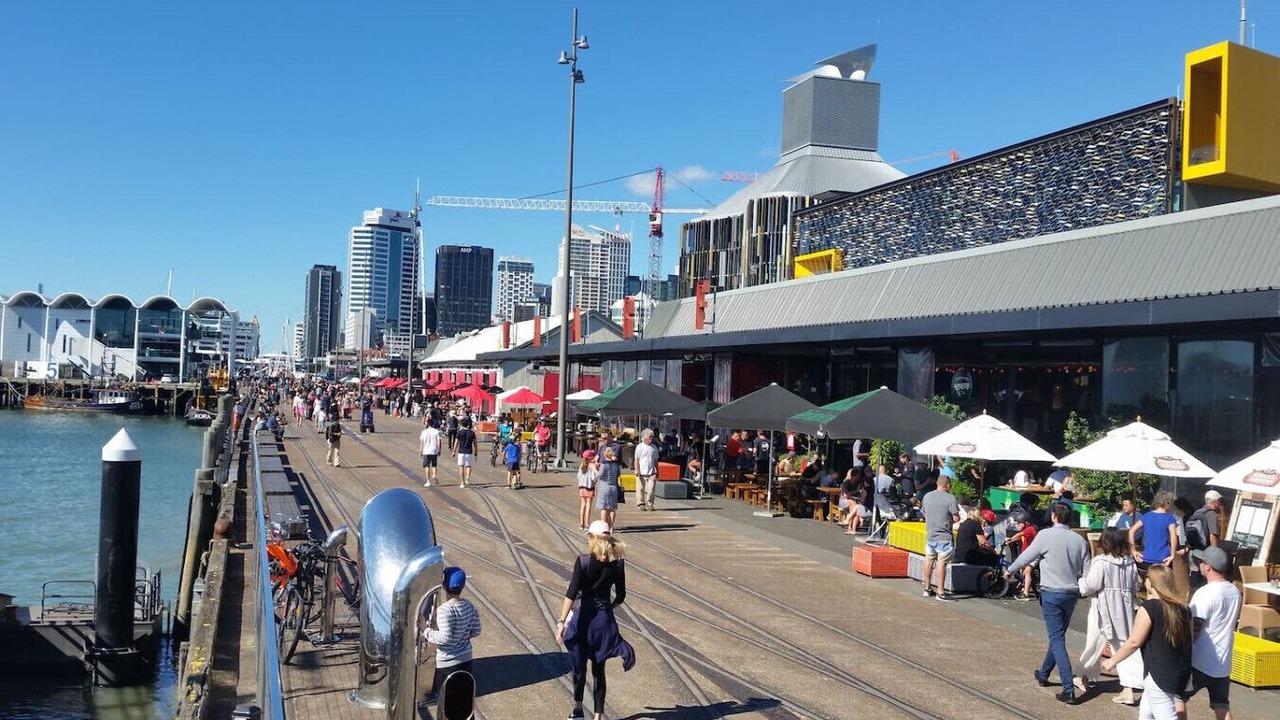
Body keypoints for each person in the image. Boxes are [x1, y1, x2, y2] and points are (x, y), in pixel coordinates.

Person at [1007, 503, 1091, 704]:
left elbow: (1027, 556)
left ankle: (1068, 689)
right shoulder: (1079, 540)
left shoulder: (1045, 535)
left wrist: (1009, 570)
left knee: (1057, 639)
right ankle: (1044, 673)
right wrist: (1083, 588)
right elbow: (1088, 569)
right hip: (1071, 594)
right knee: (1058, 635)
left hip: (1051, 592)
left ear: (1053, 516)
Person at [554, 521, 635, 720]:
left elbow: (571, 593)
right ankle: (598, 716)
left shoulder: (583, 561)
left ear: (593, 538)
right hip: (604, 621)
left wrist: (561, 622)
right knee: (599, 670)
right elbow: (621, 596)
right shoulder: (618, 564)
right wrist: (607, 608)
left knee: (579, 667)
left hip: (584, 620)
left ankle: (578, 709)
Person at [1103, 564, 1193, 720]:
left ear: (1151, 582)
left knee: (1166, 716)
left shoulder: (1149, 607)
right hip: (1179, 672)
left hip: (1157, 674)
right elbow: (1190, 640)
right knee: (1146, 714)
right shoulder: (1184, 608)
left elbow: (1134, 641)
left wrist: (1113, 660)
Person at [1075, 527, 1144, 705]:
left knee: (1094, 642)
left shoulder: (1100, 561)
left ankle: (1084, 675)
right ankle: (1128, 687)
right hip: (1124, 609)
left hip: (1102, 607)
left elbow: (1090, 586)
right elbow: (1136, 586)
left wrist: (1081, 582)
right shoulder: (1129, 562)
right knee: (1124, 645)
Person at [1176, 546, 1242, 720]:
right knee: (1221, 705)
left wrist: (1182, 652)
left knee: (1177, 698)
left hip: (1200, 659)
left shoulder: (1205, 593)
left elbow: (1194, 627)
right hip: (1223, 661)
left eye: (1201, 562)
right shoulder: (1235, 592)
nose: (1199, 564)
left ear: (1208, 567)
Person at [422, 566, 482, 705]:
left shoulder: (444, 610)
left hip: (447, 663)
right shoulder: (469, 606)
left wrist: (425, 630)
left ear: (444, 586)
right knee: (462, 701)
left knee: (446, 702)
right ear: (463, 586)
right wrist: (461, 636)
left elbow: (445, 638)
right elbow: (476, 631)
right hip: (466, 659)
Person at [921, 475, 961, 602]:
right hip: (944, 536)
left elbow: (924, 512)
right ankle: (941, 592)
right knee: (941, 563)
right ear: (948, 485)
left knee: (929, 560)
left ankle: (927, 588)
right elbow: (956, 518)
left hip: (930, 535)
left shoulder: (927, 496)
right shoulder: (950, 498)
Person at [1130, 492, 1179, 569]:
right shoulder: (1169, 518)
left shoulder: (1147, 516)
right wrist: (1173, 555)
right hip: (1163, 559)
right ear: (1167, 504)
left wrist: (1133, 550)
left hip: (1146, 558)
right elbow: (1173, 538)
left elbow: (1131, 531)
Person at [1004, 511, 1039, 600]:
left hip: (1034, 555)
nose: (1018, 525)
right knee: (1022, 571)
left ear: (1026, 522)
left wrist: (1010, 539)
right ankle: (1024, 587)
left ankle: (1025, 593)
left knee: (1027, 571)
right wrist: (1010, 541)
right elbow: (1019, 537)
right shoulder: (1025, 529)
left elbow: (1020, 534)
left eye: (1019, 523)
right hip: (1027, 554)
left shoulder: (1030, 529)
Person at [596, 446, 621, 530]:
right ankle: (611, 526)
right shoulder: (616, 465)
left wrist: (595, 470)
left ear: (605, 454)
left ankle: (604, 526)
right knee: (612, 508)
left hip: (604, 486)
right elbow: (618, 475)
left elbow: (600, 475)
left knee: (604, 508)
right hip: (613, 487)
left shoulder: (604, 464)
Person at [634, 429, 659, 512]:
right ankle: (641, 503)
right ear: (644, 437)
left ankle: (650, 504)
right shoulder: (639, 447)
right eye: (649, 437)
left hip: (651, 472)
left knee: (651, 489)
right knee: (640, 489)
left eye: (652, 437)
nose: (651, 438)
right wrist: (637, 470)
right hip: (641, 472)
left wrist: (657, 470)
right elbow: (636, 460)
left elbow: (656, 460)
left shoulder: (654, 447)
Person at [577, 450, 599, 530]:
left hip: (581, 487)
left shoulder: (582, 465)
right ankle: (587, 524)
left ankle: (581, 523)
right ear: (591, 457)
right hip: (589, 488)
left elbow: (578, 476)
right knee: (588, 506)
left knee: (583, 505)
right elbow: (594, 477)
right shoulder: (592, 466)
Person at [453, 417, 477, 488]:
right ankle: (467, 477)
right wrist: (476, 451)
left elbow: (456, 442)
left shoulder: (459, 432)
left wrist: (454, 451)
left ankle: (462, 483)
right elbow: (475, 443)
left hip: (461, 452)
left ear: (462, 425)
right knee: (468, 466)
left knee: (461, 467)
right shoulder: (472, 433)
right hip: (469, 451)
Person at [419, 419, 442, 487]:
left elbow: (421, 442)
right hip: (434, 450)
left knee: (427, 466)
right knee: (434, 464)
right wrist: (439, 450)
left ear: (427, 424)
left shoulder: (424, 432)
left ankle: (428, 481)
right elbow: (439, 442)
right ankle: (434, 474)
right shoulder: (437, 432)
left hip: (426, 451)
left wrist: (420, 451)